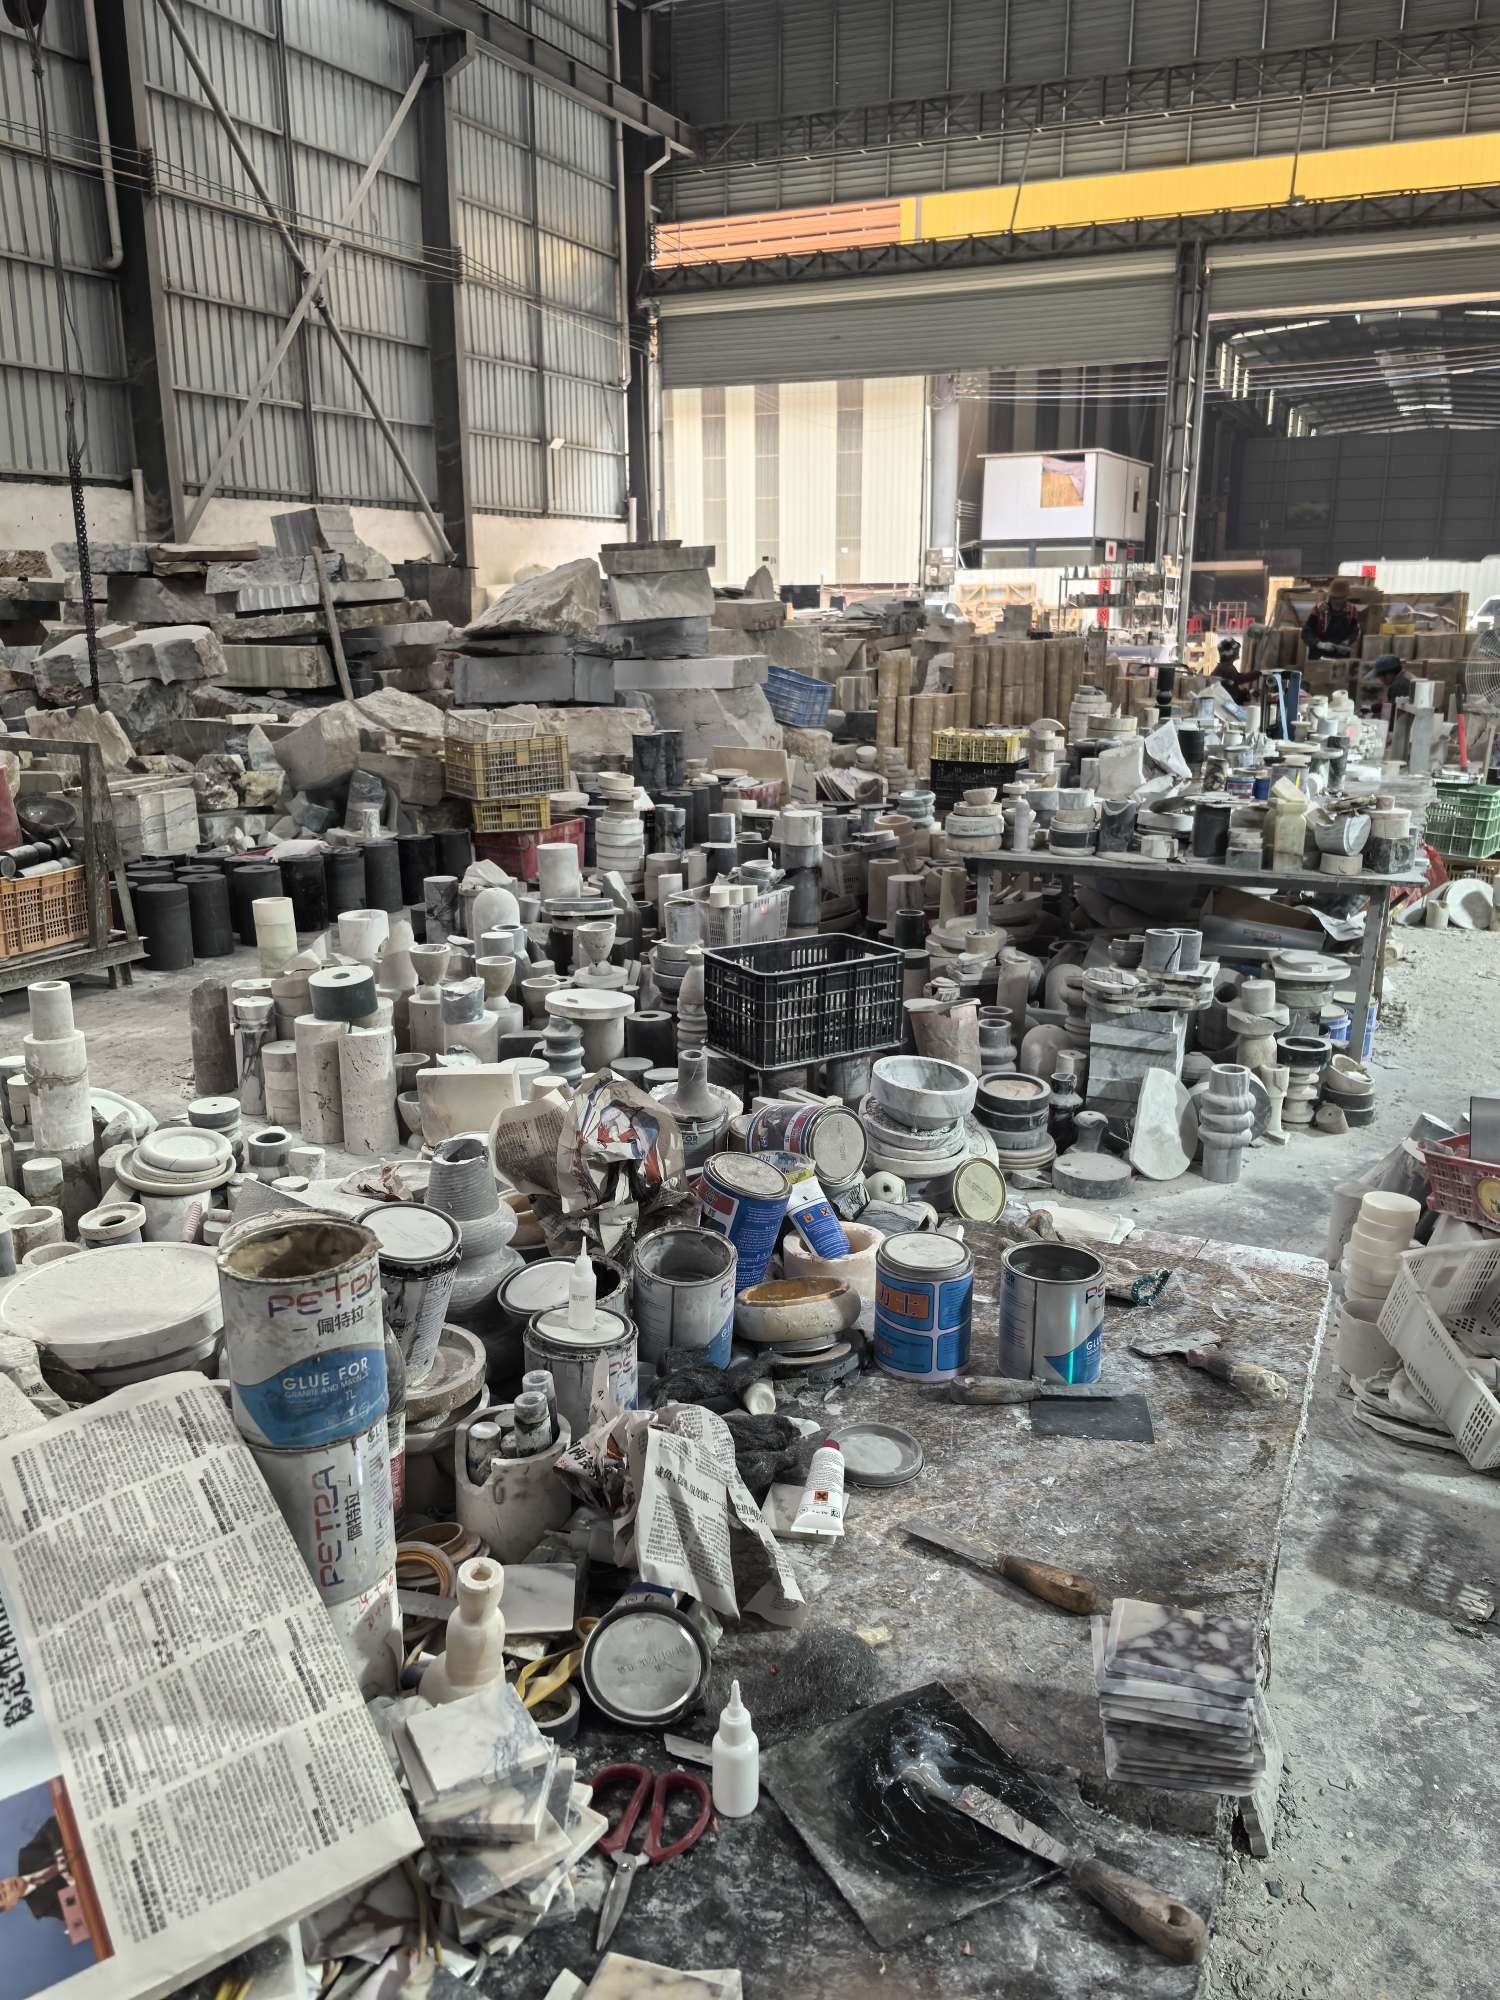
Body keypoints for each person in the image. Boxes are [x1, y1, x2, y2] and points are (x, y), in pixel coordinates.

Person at [1302, 577, 1365, 654]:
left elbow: (1354, 631)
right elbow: (1306, 632)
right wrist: (1319, 644)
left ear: (1346, 597)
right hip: (1318, 653)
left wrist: (1347, 642)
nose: (1338, 601)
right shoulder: (1319, 609)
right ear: (1331, 597)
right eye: (1335, 598)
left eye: (1341, 598)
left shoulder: (1352, 610)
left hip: (1340, 655)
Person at [1209, 636, 1257, 707]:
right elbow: (1239, 679)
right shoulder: (1226, 668)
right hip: (1225, 706)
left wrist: (1247, 693)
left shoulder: (1224, 667)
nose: (1238, 652)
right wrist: (1258, 673)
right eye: (1237, 650)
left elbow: (1233, 685)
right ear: (1231, 653)